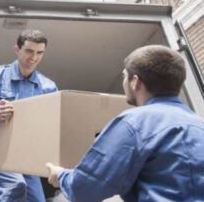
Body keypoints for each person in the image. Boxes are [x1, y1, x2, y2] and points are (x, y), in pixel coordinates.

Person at [46, 45, 204, 202]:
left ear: (135, 81)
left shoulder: (134, 123)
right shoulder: (199, 124)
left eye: (124, 76)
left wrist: (60, 175)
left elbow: (84, 188)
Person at [0, 29, 58, 202]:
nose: (34, 57)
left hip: (25, 148)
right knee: (15, 186)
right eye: (29, 51)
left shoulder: (48, 87)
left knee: (36, 199)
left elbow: (53, 124)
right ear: (17, 49)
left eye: (39, 53)